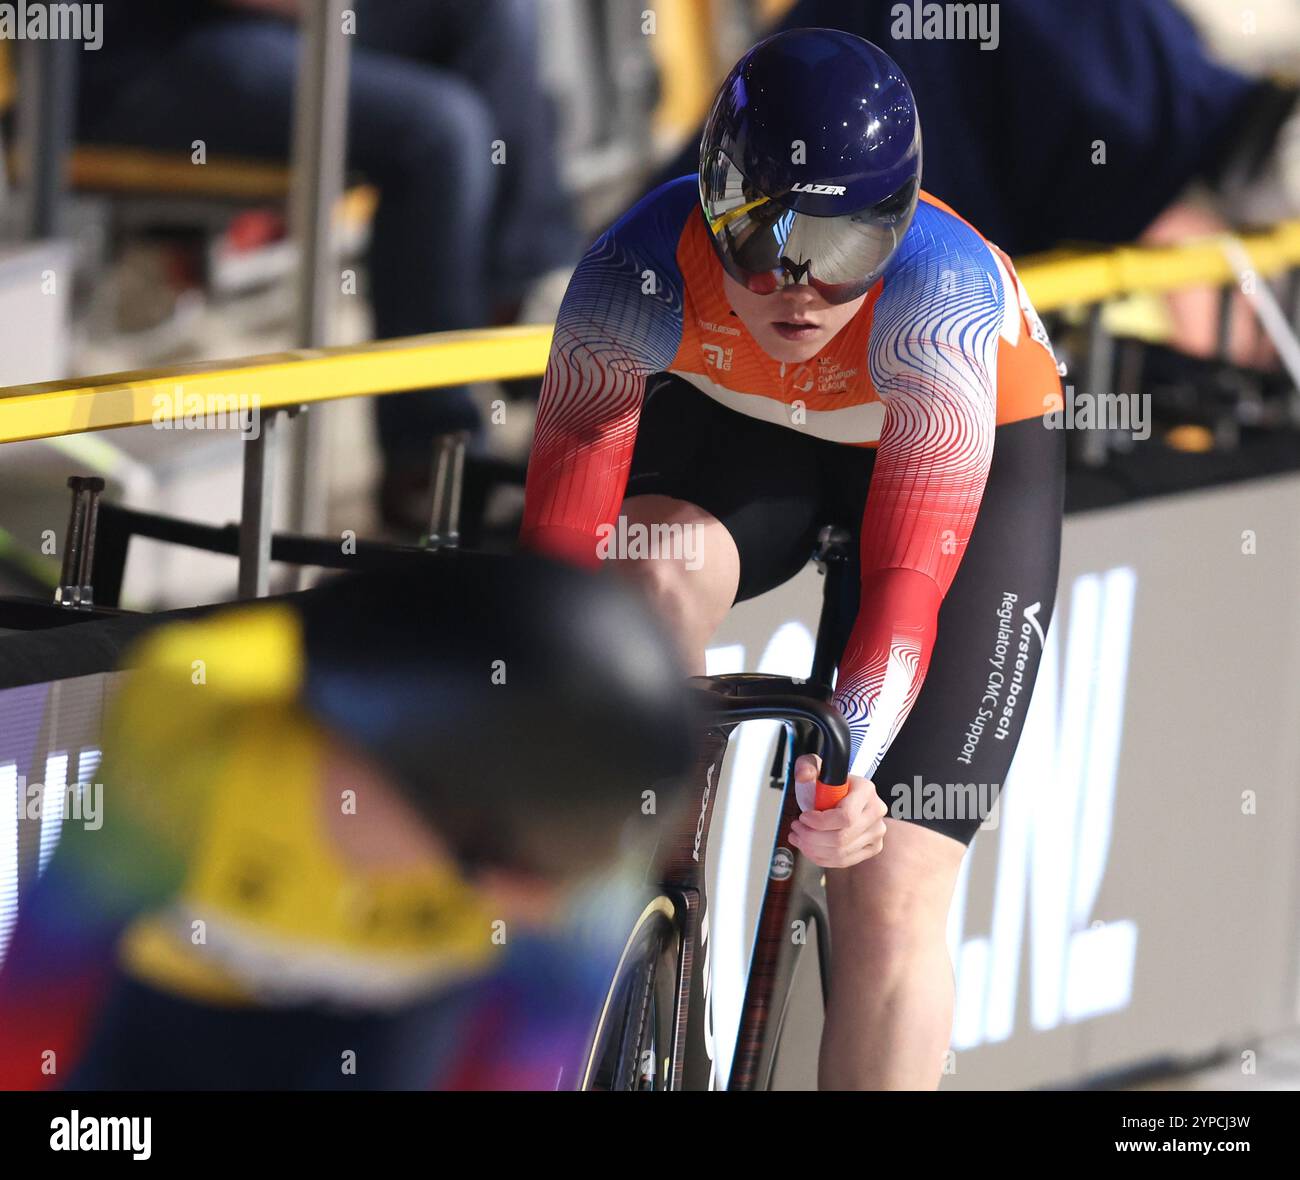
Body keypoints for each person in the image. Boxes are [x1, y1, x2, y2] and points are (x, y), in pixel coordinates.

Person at [520, 30, 1066, 1090]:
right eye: (761, 232)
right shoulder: (632, 264)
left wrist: (846, 765)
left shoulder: (940, 299)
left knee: (893, 880)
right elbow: (560, 549)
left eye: (847, 245)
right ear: (709, 199)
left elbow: (908, 580)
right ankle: (642, 871)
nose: (799, 283)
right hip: (751, 434)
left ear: (899, 231)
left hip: (947, 469)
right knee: (647, 578)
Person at [0, 553, 695, 1090]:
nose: (515, 907)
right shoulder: (205, 716)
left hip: (392, 1021)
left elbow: (522, 1051)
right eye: (475, 871)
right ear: (359, 758)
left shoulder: (581, 847)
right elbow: (48, 978)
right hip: (173, 1005)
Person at [76, 1, 579, 529]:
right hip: (137, 52)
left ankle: (524, 294)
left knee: (494, 12)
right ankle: (432, 463)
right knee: (442, 131)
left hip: (265, 25)